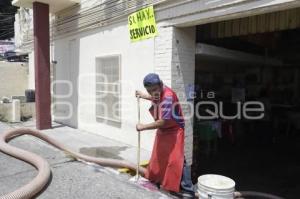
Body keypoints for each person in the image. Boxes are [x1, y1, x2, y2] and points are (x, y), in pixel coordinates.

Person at [136, 73, 195, 198]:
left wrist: (143, 127)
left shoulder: (168, 97)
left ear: (161, 84)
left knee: (176, 160)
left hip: (174, 129)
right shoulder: (157, 92)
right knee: (159, 156)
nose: (153, 93)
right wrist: (143, 96)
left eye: (154, 89)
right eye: (149, 91)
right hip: (163, 130)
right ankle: (157, 180)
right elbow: (155, 97)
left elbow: (163, 121)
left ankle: (187, 189)